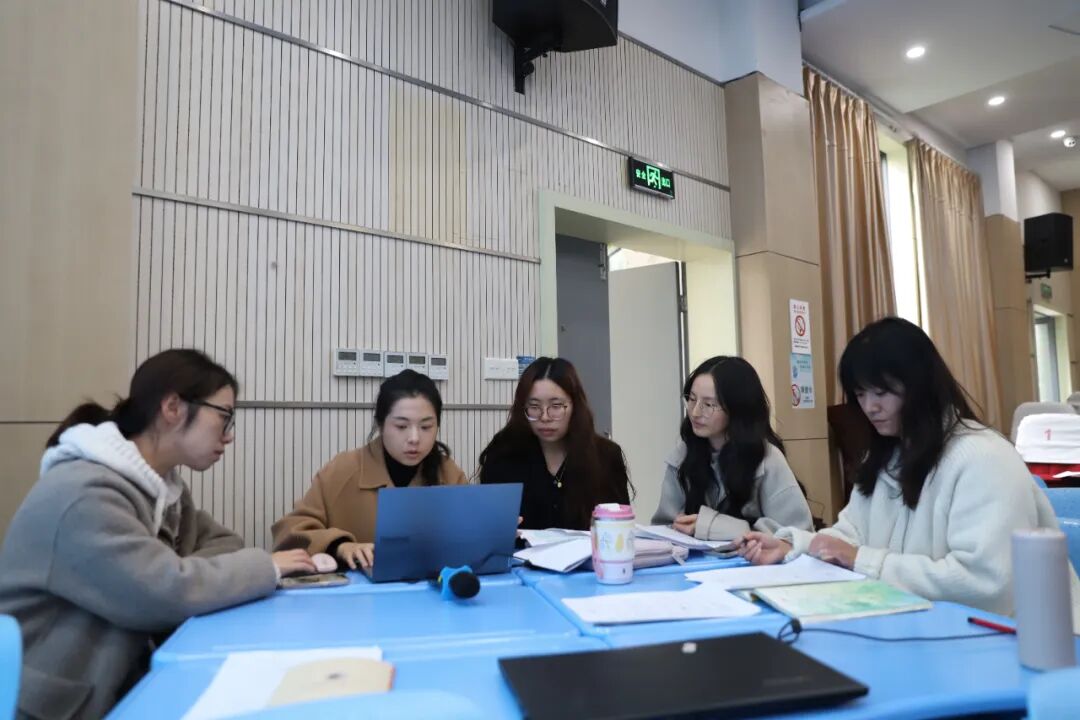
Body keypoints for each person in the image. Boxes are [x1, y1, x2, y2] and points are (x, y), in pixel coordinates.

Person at [0, 349, 315, 720]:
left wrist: (173, 571)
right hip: (52, 707)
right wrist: (266, 567)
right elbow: (166, 593)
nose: (229, 436)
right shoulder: (83, 494)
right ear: (172, 408)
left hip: (118, 688)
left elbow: (224, 544)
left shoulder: (163, 489)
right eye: (224, 416)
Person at [738, 317, 1080, 625]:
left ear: (920, 386)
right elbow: (849, 537)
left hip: (1021, 645)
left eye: (882, 392)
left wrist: (864, 562)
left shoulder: (985, 458)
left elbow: (987, 584)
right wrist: (792, 545)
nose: (870, 407)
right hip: (928, 630)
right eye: (860, 394)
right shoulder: (886, 458)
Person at [272, 370, 468, 571]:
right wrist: (338, 545)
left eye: (426, 427)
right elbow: (291, 532)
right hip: (354, 589)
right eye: (401, 426)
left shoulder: (449, 475)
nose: (414, 438)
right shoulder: (343, 470)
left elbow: (473, 538)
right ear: (381, 424)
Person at [653, 356, 813, 540]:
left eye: (708, 405)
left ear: (737, 409)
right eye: (692, 399)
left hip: (751, 559)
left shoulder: (767, 460)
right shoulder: (683, 455)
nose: (695, 412)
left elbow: (798, 534)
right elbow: (663, 527)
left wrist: (711, 527)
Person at [478, 357, 631, 530]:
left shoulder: (606, 456)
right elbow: (487, 526)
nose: (544, 417)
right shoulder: (503, 453)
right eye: (534, 406)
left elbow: (621, 528)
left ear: (575, 406)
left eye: (556, 406)